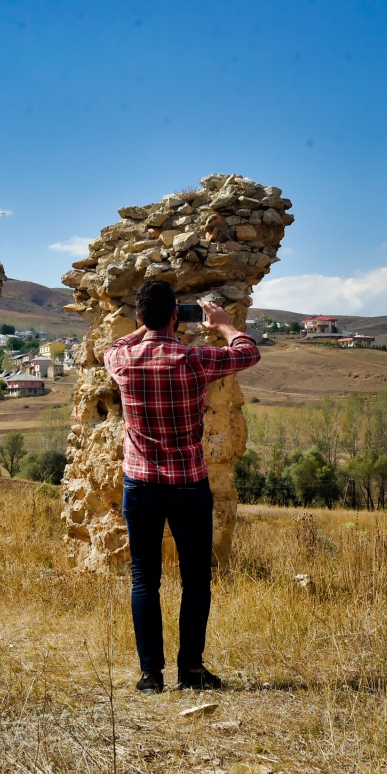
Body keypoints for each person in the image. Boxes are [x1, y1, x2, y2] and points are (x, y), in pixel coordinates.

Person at [104, 279, 261, 693]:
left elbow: (115, 345)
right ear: (177, 316)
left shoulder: (122, 360)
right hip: (189, 485)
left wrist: (147, 328)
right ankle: (191, 671)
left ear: (140, 317)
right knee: (195, 579)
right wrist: (224, 325)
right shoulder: (193, 360)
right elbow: (249, 352)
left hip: (139, 483)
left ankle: (150, 676)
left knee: (144, 579)